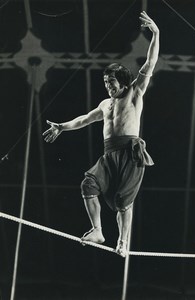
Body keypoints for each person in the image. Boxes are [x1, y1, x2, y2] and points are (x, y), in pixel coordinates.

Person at [43, 11, 159, 257]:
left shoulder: (134, 93)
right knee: (89, 183)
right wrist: (62, 127)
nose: (108, 86)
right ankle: (97, 230)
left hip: (130, 153)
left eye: (112, 82)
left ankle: (123, 242)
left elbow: (150, 64)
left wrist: (156, 34)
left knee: (122, 201)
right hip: (109, 155)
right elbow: (84, 119)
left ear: (124, 82)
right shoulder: (105, 104)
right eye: (106, 82)